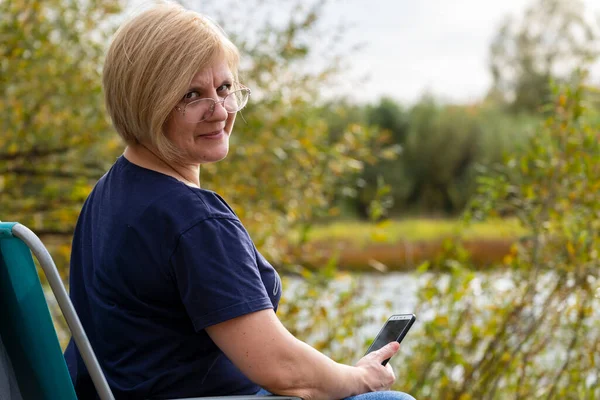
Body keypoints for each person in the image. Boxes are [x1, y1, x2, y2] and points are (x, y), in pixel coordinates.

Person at [64, 2, 416, 400]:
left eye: (226, 88)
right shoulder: (192, 221)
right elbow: (282, 370)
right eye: (192, 94)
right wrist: (359, 378)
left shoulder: (107, 195)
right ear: (148, 101)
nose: (220, 110)